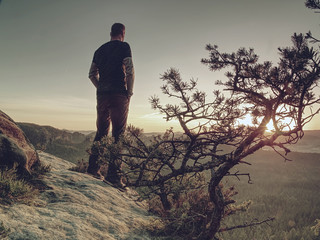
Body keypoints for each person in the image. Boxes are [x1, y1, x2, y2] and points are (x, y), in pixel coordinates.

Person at [87, 23, 134, 187]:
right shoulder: (124, 47)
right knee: (119, 134)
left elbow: (91, 74)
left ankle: (93, 168)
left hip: (102, 95)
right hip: (119, 94)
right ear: (123, 33)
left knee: (101, 131)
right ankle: (113, 177)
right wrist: (129, 91)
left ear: (110, 33)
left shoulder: (99, 50)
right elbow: (129, 70)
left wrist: (100, 87)